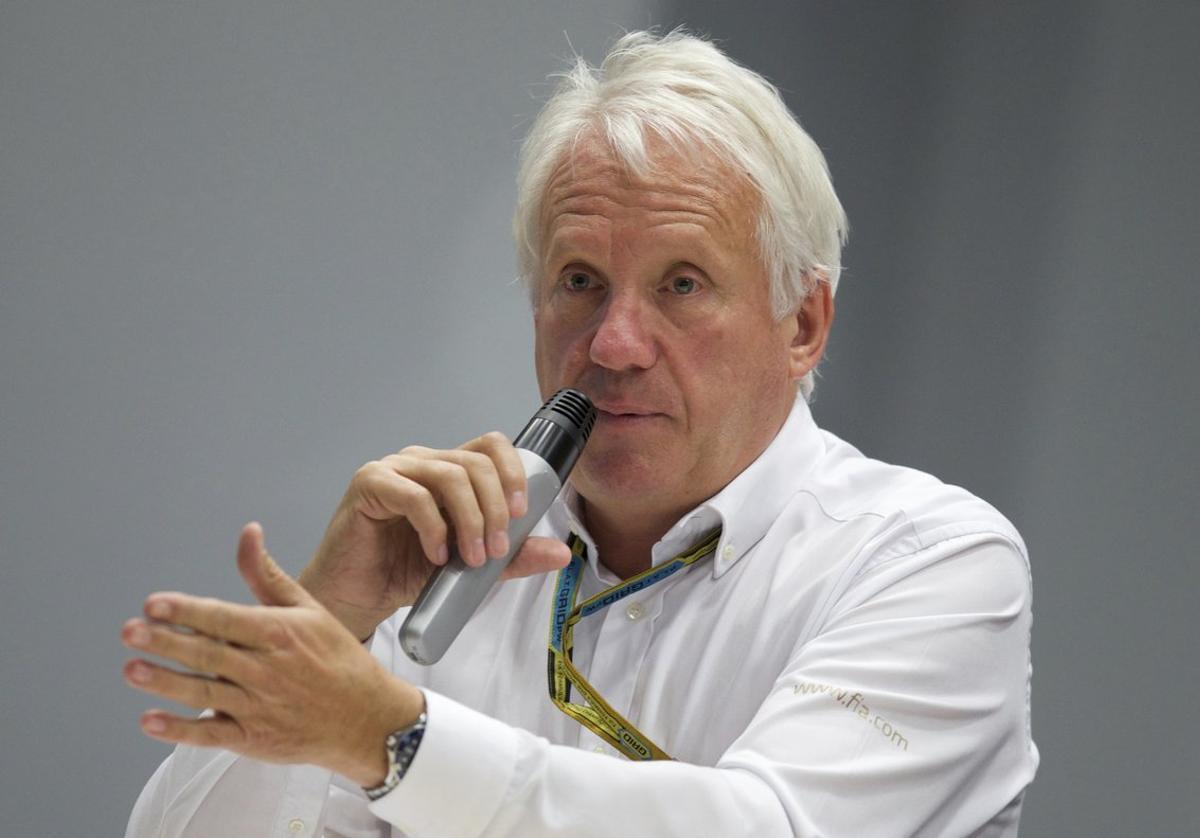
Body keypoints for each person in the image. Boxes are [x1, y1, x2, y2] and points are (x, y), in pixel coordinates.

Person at [123, 30, 1038, 837]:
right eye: (580, 282)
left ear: (802, 325)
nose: (613, 343)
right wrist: (329, 622)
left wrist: (390, 738)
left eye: (682, 284)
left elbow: (772, 826)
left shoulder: (930, 562)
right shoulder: (450, 567)